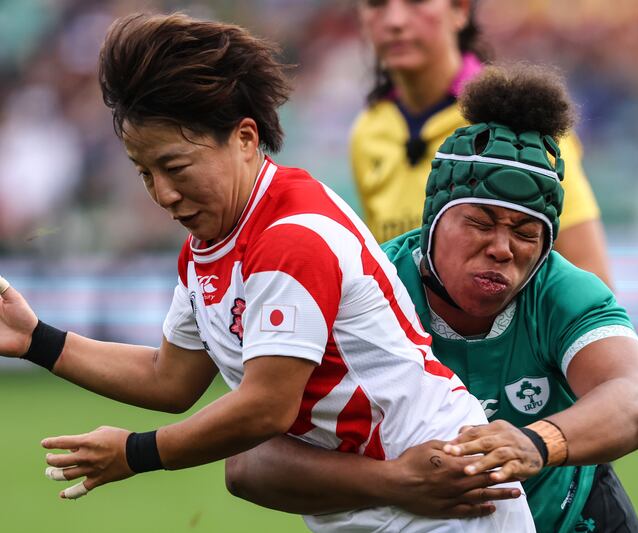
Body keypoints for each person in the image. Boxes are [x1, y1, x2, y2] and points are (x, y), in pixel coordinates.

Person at [0, 13, 536, 533]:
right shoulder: (211, 244)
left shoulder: (291, 236)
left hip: (442, 494)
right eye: (145, 173)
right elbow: (171, 378)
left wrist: (137, 452)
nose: (163, 194)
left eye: (176, 167)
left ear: (246, 138)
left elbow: (265, 408)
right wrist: (35, 340)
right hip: (383, 499)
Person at [225, 65, 638, 532]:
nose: (502, 247)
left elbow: (637, 399)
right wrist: (393, 481)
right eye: (479, 222)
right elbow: (250, 463)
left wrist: (536, 445)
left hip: (571, 517)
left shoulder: (560, 288)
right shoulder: (365, 285)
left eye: (525, 231)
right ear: (433, 219)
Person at [350, 0, 614, 288]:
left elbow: (592, 277)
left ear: (460, 10)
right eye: (376, 4)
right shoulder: (367, 132)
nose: (395, 21)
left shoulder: (520, 118)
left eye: (417, 2)